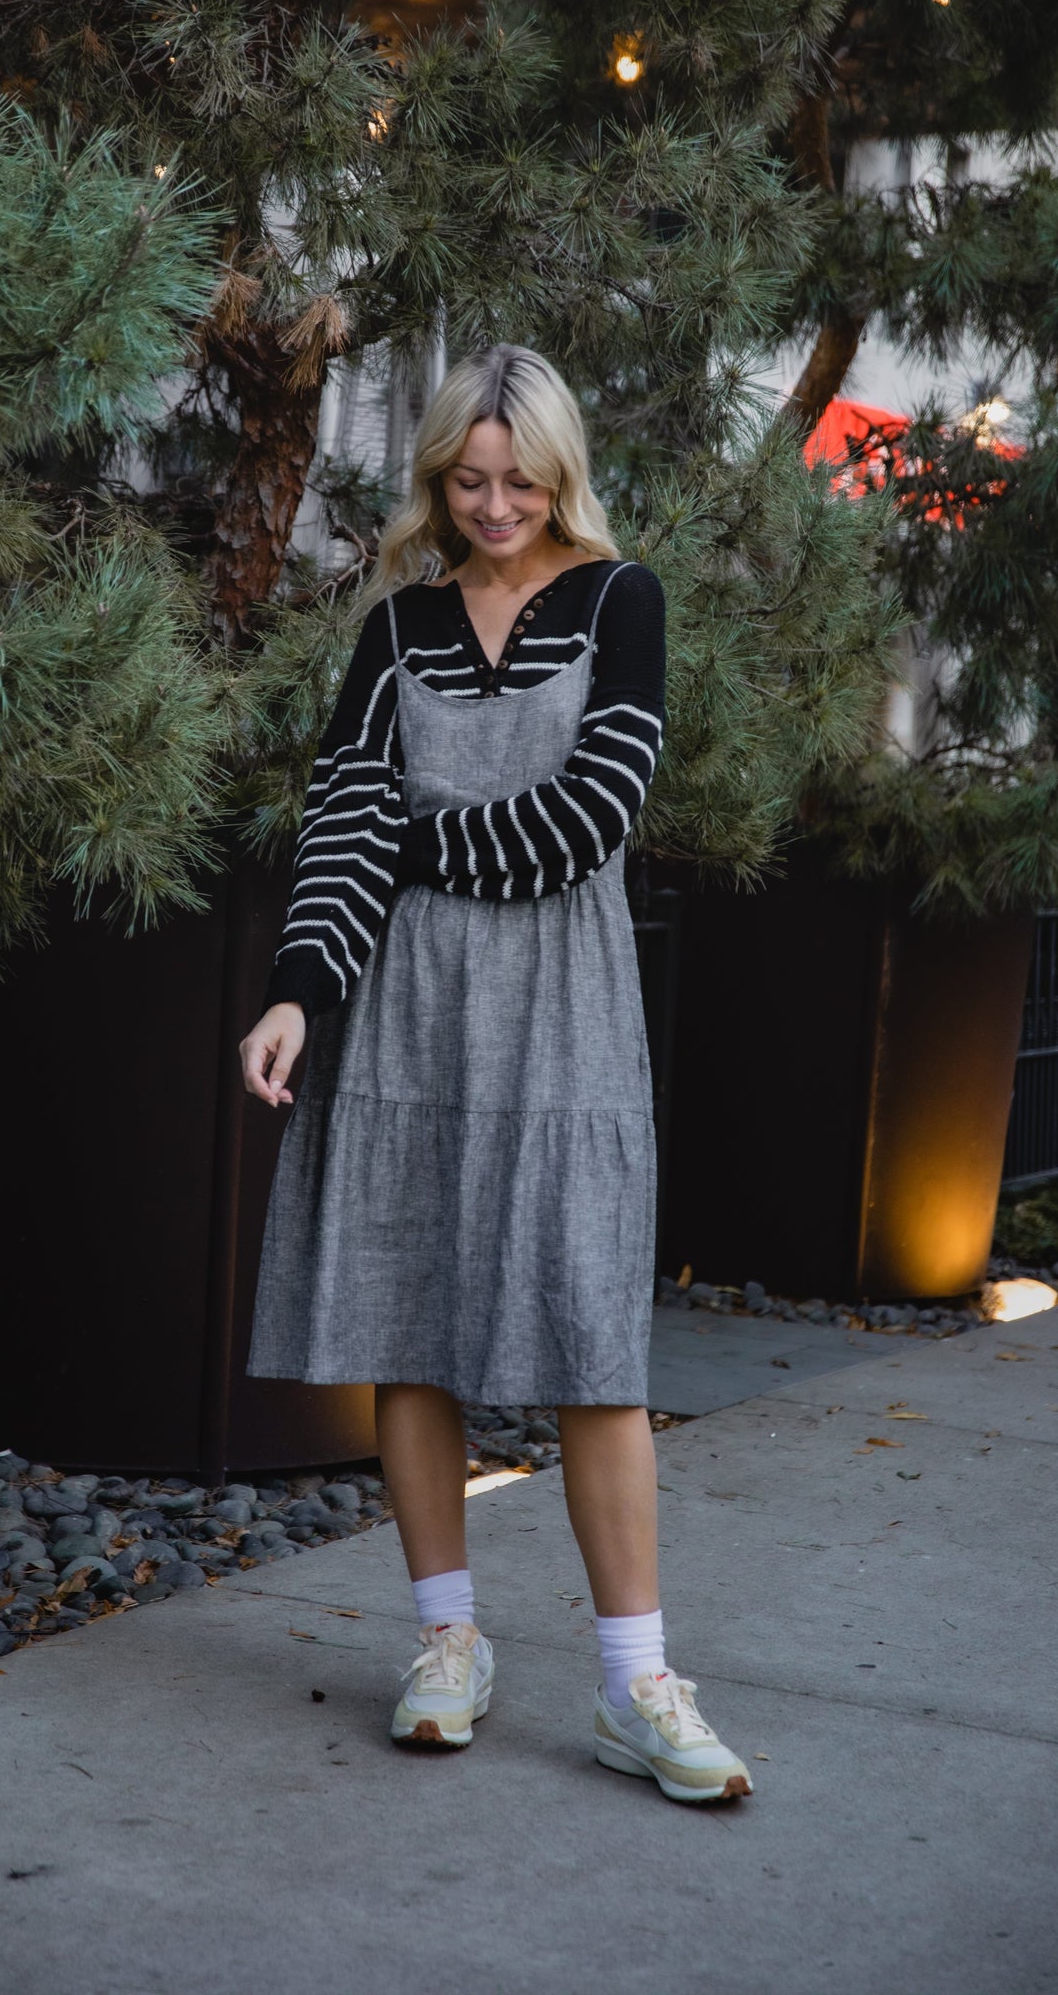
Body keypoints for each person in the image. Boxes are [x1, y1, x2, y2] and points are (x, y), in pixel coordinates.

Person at [238, 344, 752, 1805]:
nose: (493, 503)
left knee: (593, 1345)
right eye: (467, 480)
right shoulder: (395, 628)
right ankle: (445, 1645)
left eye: (519, 480)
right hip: (398, 1007)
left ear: (561, 473)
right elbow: (341, 825)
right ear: (436, 477)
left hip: (563, 1013)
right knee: (412, 1323)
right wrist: (293, 999)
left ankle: (634, 1684)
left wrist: (409, 838)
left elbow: (583, 821)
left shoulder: (618, 601)